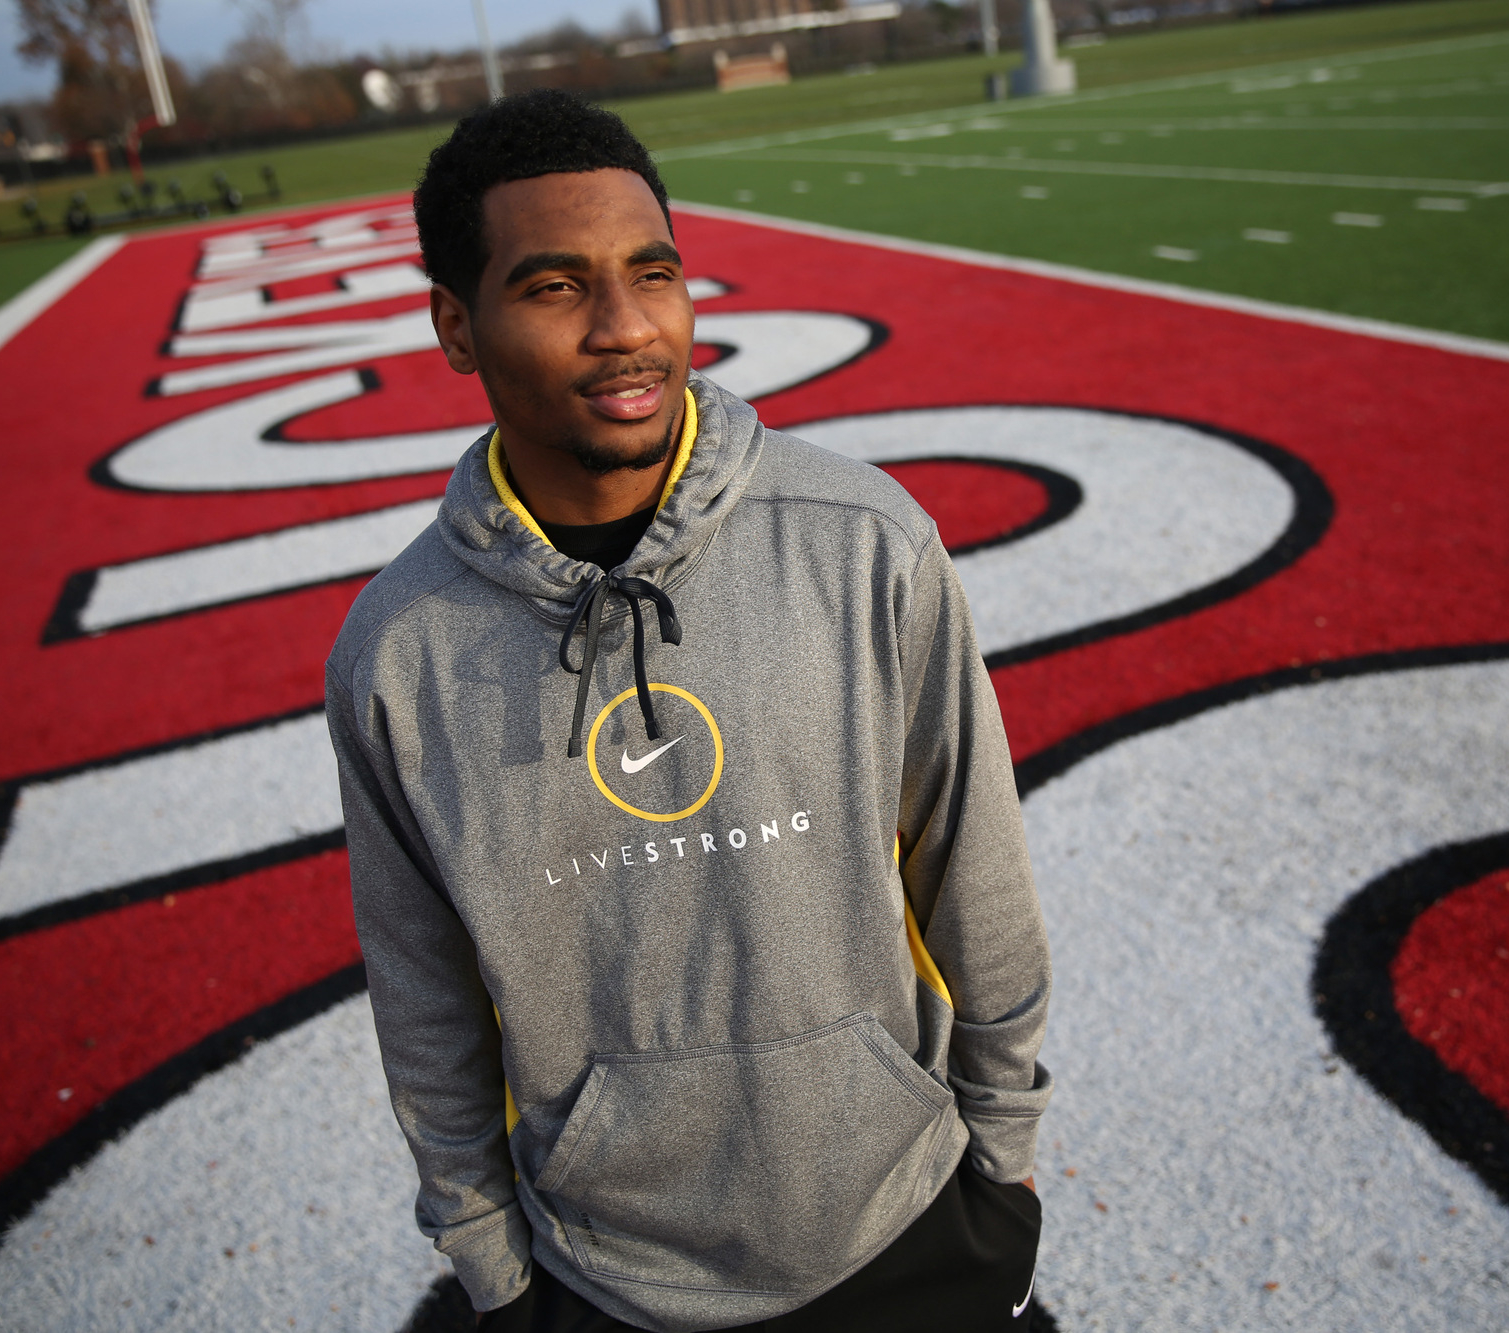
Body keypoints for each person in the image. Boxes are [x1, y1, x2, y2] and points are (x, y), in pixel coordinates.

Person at [325, 89, 1054, 1333]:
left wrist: (1002, 1155)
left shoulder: (863, 540)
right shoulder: (400, 653)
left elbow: (971, 863)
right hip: (604, 1275)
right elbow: (423, 993)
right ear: (457, 322)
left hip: (909, 1218)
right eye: (555, 287)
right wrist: (493, 1268)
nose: (625, 329)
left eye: (652, 274)